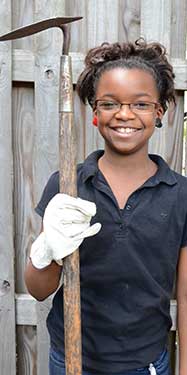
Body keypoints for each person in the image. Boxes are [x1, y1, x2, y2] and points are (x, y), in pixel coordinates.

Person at [24, 39, 187, 375]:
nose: (124, 114)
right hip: (70, 359)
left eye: (140, 104)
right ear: (95, 113)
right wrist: (46, 251)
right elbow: (39, 290)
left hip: (145, 364)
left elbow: (185, 299)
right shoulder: (68, 185)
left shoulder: (180, 194)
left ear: (159, 112)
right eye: (110, 103)